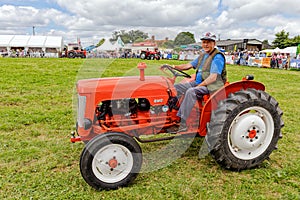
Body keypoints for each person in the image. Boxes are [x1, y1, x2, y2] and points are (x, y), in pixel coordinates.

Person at [167, 32, 227, 132]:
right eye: (204, 42)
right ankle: (172, 111)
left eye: (208, 42)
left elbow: (213, 77)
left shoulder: (217, 57)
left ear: (214, 43)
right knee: (175, 87)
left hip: (211, 86)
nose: (206, 44)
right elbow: (188, 66)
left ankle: (182, 122)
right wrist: (173, 66)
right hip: (198, 83)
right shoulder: (203, 55)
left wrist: (199, 85)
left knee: (191, 91)